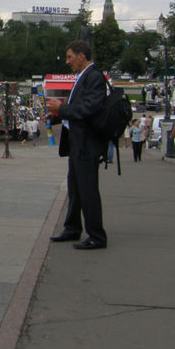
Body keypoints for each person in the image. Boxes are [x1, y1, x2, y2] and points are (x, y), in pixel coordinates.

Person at [45, 40, 108, 250]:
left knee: (88, 189)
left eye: (70, 57)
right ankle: (72, 228)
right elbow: (78, 109)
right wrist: (57, 115)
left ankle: (96, 236)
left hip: (87, 143)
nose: (67, 61)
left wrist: (61, 109)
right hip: (78, 142)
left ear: (82, 56)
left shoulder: (94, 77)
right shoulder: (84, 77)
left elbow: (88, 109)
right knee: (75, 188)